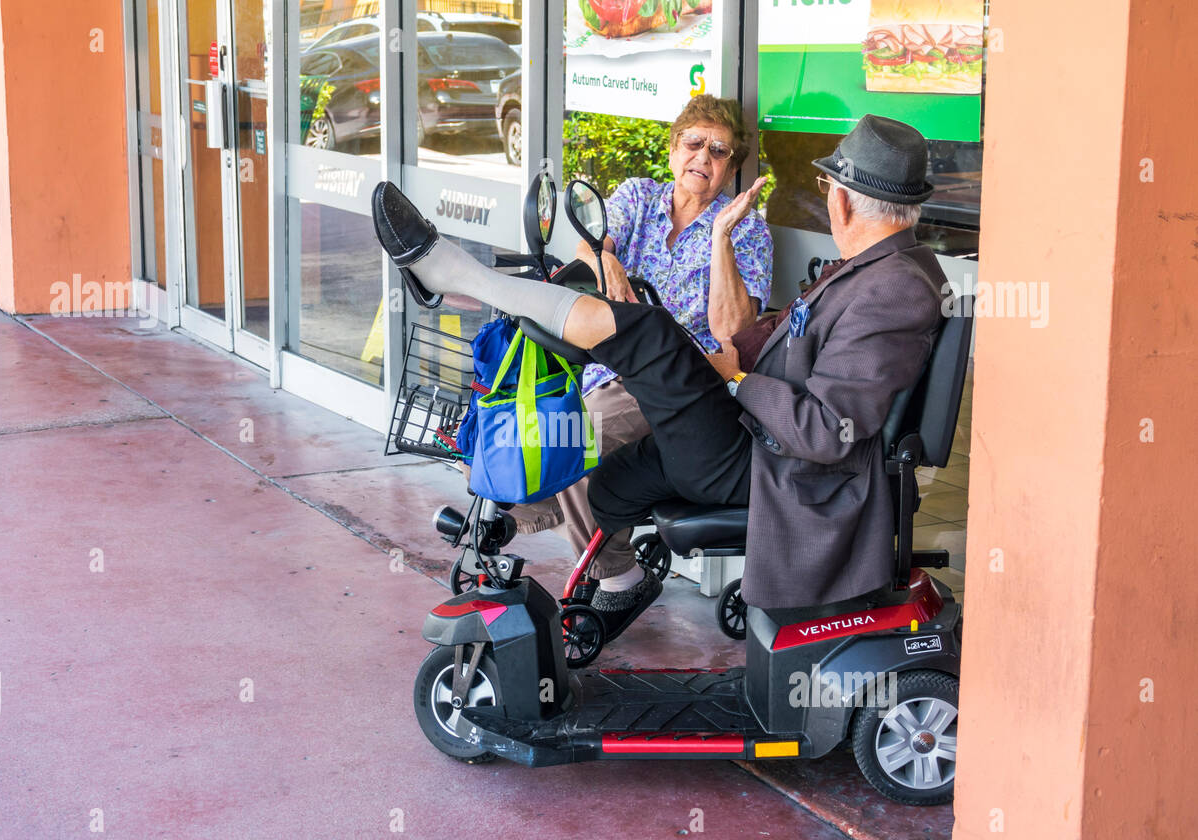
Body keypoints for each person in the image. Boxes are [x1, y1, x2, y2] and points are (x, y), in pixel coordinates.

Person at [373, 113, 947, 618]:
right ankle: (619, 582)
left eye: (827, 185)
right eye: (692, 144)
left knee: (651, 334)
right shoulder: (877, 269)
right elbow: (793, 340)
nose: (703, 158)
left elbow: (826, 429)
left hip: (775, 462)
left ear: (841, 199)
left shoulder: (892, 287)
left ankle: (452, 276)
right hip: (752, 434)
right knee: (610, 487)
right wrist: (739, 360)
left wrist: (737, 378)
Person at [510, 95, 773, 636]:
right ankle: (544, 515)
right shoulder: (638, 196)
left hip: (687, 386)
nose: (704, 156)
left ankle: (618, 575)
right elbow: (589, 249)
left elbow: (730, 330)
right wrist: (607, 259)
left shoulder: (749, 232)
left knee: (581, 435)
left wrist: (720, 236)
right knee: (538, 418)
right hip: (609, 367)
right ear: (674, 147)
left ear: (730, 165)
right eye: (694, 142)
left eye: (719, 150)